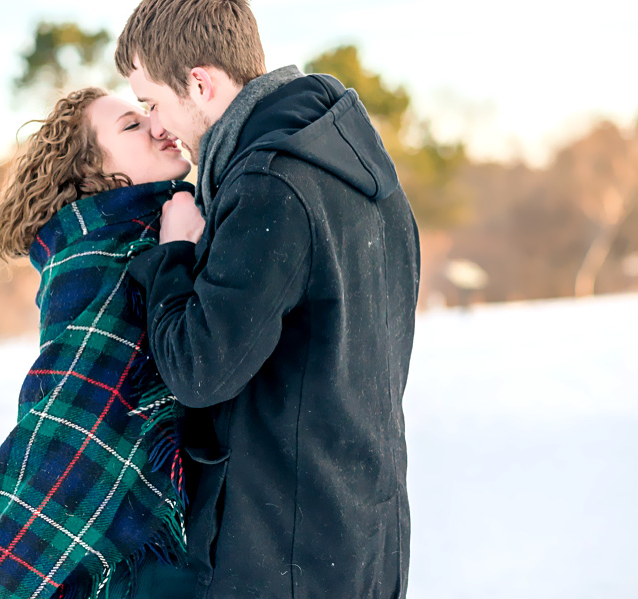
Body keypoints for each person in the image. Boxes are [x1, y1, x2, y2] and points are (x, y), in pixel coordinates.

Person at [113, 1, 421, 598]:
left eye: (153, 102)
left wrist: (173, 255)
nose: (154, 124)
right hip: (363, 535)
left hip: (284, 553)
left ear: (199, 84)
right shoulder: (351, 159)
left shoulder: (270, 183)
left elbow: (200, 371)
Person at [0, 87, 198, 599]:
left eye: (146, 112)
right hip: (130, 561)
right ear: (91, 172)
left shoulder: (173, 220)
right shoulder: (95, 259)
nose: (156, 124)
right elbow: (77, 427)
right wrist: (175, 253)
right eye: (131, 126)